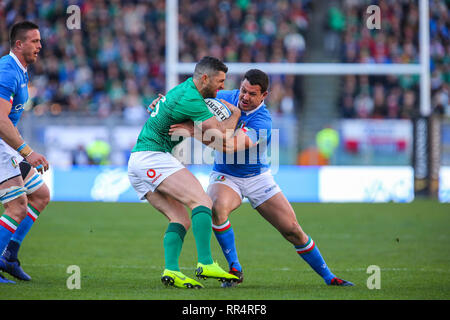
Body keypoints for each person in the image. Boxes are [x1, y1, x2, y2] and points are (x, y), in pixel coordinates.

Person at [169, 69, 354, 287]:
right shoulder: (224, 98)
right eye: (243, 90)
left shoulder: (262, 122)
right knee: (216, 208)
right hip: (226, 175)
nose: (244, 97)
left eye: (252, 94)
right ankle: (235, 268)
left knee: (292, 230)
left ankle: (329, 276)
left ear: (264, 96)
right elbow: (190, 95)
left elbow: (229, 146)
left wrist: (192, 131)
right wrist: (164, 103)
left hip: (258, 178)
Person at [127, 56, 240, 289]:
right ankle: (206, 263)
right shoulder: (191, 97)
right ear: (205, 78)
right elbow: (221, 134)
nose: (222, 87)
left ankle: (172, 271)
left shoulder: (183, 91)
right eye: (219, 81)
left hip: (139, 161)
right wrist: (235, 115)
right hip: (153, 157)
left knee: (180, 218)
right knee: (202, 201)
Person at [0, 21, 50, 284]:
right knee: (17, 206)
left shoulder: (21, 71)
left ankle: (8, 256)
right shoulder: (7, 71)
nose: (40, 46)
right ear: (19, 44)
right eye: (34, 41)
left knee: (40, 195)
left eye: (40, 41)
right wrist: (28, 152)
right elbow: (0, 119)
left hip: (8, 145)